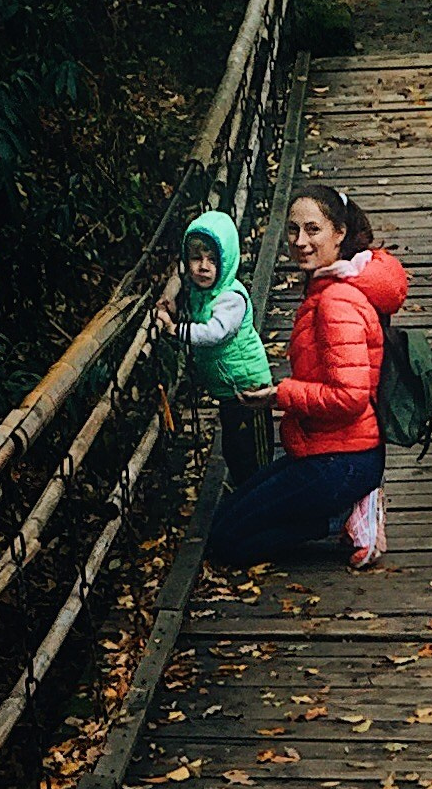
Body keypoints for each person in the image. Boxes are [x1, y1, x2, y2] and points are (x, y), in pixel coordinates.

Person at [213, 182, 406, 571]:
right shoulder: (327, 285)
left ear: (340, 234)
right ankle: (339, 508)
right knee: (226, 518)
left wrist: (280, 395)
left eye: (313, 230)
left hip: (345, 458)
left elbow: (349, 397)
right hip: (326, 449)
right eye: (292, 230)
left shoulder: (337, 301)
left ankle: (344, 517)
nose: (299, 241)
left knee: (226, 545)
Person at [156, 208, 272, 495]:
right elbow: (189, 301)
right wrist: (171, 303)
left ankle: (260, 498)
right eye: (196, 258)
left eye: (212, 259)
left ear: (227, 261)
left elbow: (215, 333)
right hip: (227, 390)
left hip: (249, 389)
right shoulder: (199, 291)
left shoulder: (230, 298)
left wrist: (174, 329)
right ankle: (246, 495)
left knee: (254, 452)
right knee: (234, 448)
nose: (203, 267)